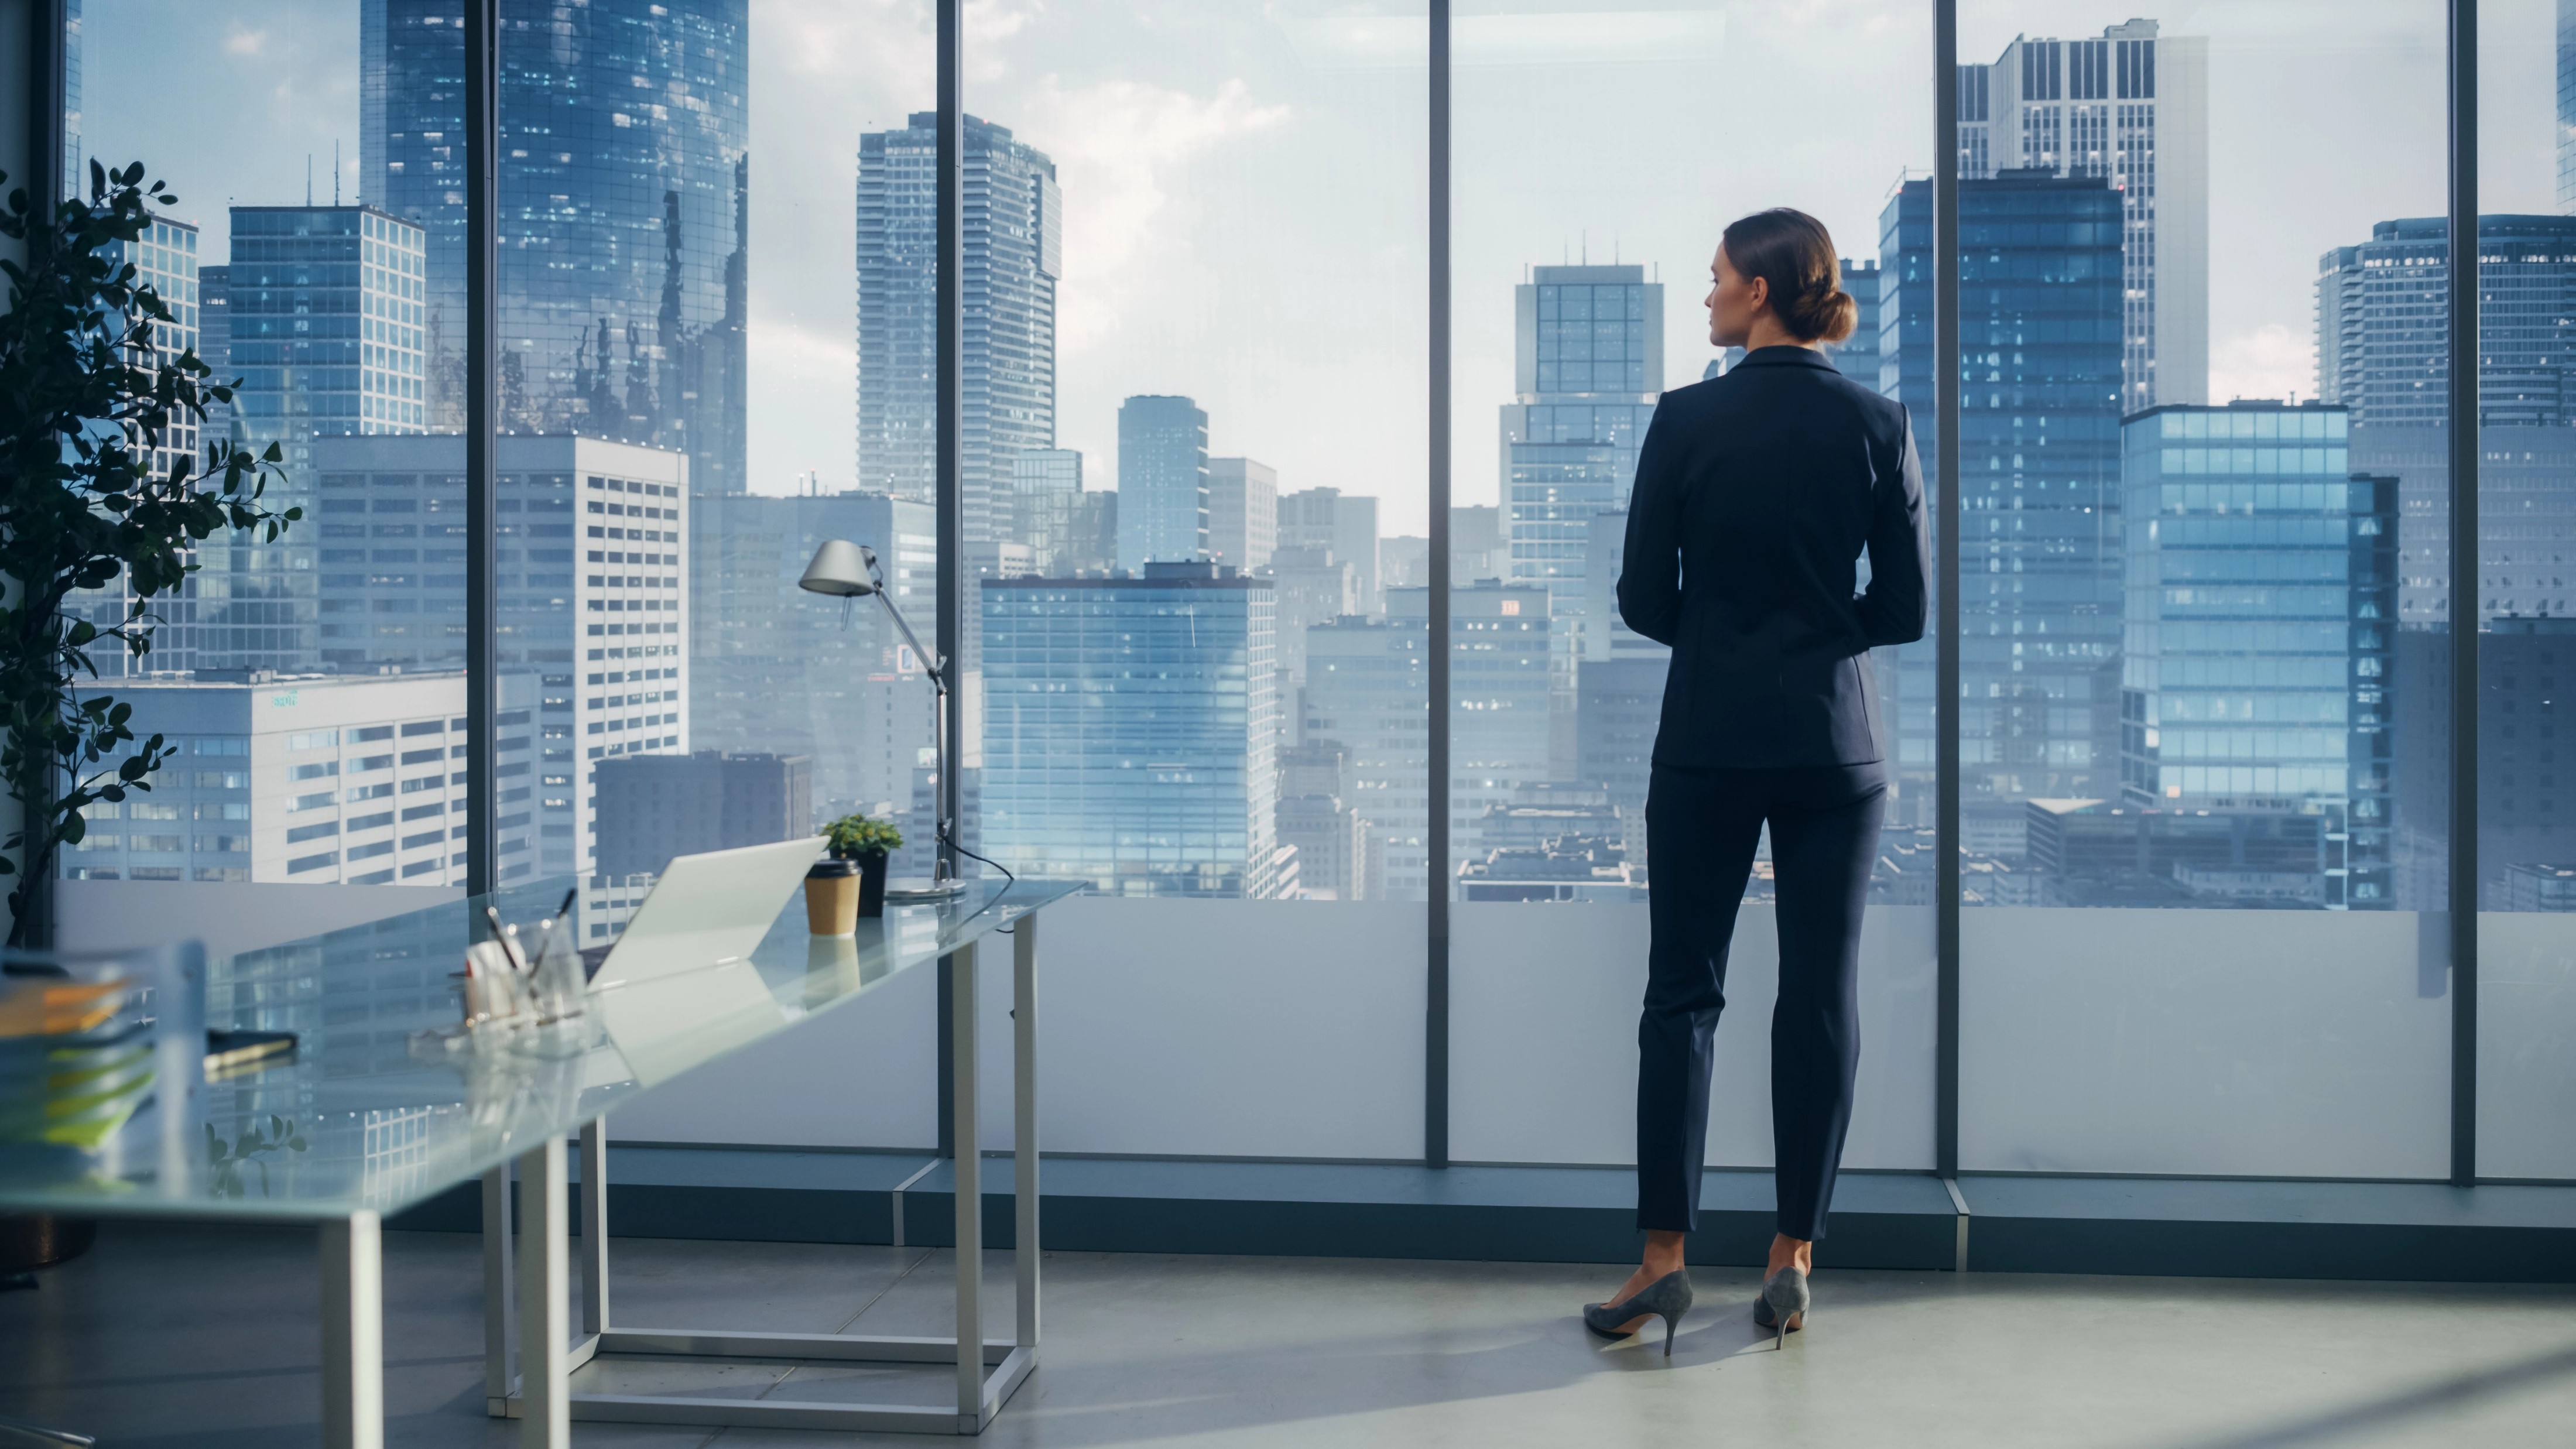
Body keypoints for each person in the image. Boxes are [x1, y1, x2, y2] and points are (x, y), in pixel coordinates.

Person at [1581, 207, 1928, 1355]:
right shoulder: (1878, 421)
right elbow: (1903, 609)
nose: (1708, 294)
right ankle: (1790, 1262)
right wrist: (1817, 637)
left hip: (1708, 737)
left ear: (1767, 290)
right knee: (1817, 996)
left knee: (1681, 996)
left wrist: (1725, 641)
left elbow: (1639, 595)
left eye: (1719, 276)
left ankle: (1661, 1263)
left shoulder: (1686, 419)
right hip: (1835, 744)